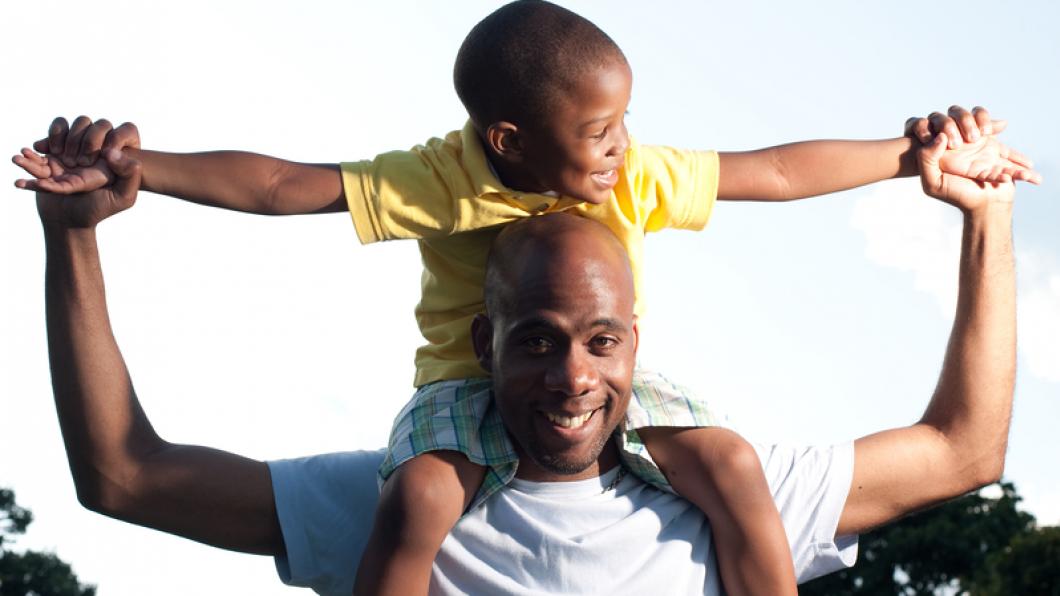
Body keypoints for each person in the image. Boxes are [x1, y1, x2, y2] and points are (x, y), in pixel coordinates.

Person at [12, 1, 1039, 592]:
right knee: (417, 496)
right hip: (452, 401)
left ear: (633, 337)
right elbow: (285, 187)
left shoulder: (630, 176)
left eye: (602, 337)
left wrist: (920, 159)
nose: (575, 376)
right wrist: (138, 180)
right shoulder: (443, 181)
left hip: (628, 422)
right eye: (540, 340)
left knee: (728, 463)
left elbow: (771, 170)